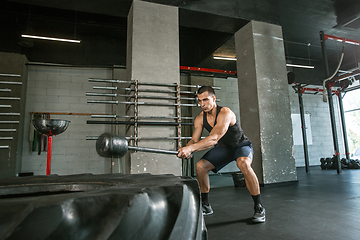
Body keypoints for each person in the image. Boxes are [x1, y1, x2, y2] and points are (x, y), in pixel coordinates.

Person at [177, 86, 265, 223]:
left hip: (240, 146)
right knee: (200, 166)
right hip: (224, 149)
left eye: (205, 100)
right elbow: (195, 140)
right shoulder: (200, 118)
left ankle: (259, 207)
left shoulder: (225, 113)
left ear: (214, 98)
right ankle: (205, 206)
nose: (202, 104)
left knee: (243, 164)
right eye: (200, 101)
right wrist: (187, 149)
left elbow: (214, 138)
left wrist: (192, 149)